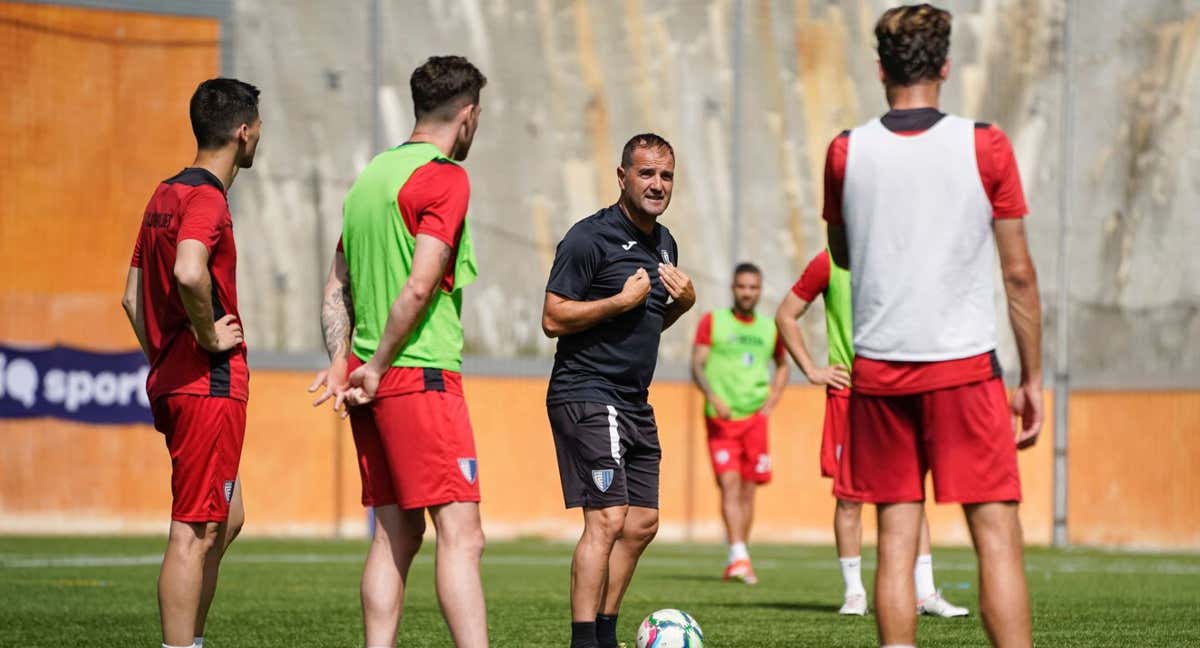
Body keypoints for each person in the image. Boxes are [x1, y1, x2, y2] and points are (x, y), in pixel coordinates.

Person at [824, 5, 1043, 647]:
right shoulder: (986, 145)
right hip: (965, 368)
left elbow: (842, 254)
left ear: (879, 69)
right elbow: (1020, 276)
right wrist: (1031, 377)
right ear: (946, 67)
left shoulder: (845, 151)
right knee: (995, 533)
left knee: (895, 534)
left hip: (879, 371)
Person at [307, 56, 489, 647]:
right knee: (462, 534)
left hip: (370, 382)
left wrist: (344, 361)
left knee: (395, 532)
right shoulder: (445, 177)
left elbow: (338, 282)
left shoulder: (370, 179)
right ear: (466, 116)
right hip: (417, 376)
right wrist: (379, 365)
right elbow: (419, 283)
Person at [122, 78, 261, 648]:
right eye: (258, 130)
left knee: (227, 517)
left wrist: (167, 357)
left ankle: (192, 639)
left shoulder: (163, 195)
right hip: (208, 381)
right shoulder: (207, 199)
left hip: (177, 378)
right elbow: (187, 270)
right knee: (196, 528)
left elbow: (132, 297)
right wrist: (206, 336)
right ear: (243, 132)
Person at [542, 133, 695, 648]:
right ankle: (584, 641)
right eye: (647, 173)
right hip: (586, 392)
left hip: (634, 400)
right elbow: (553, 317)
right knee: (607, 517)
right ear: (622, 176)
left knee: (643, 522)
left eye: (666, 175)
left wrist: (682, 304)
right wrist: (617, 301)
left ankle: (605, 633)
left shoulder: (666, 243)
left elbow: (647, 322)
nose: (657, 184)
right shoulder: (589, 239)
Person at [776, 250, 969, 617]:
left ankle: (924, 593)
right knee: (849, 498)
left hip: (900, 393)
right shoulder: (829, 262)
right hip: (850, 395)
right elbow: (786, 314)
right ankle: (854, 594)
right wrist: (813, 370)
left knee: (911, 493)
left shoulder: (906, 256)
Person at [689, 262, 789, 585]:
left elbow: (783, 365)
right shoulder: (713, 322)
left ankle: (740, 555)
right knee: (729, 484)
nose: (747, 292)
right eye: (742, 286)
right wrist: (712, 395)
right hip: (722, 418)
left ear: (760, 290)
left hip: (755, 420)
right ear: (733, 288)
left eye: (753, 287)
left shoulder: (770, 328)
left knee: (748, 491)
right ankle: (738, 555)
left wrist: (773, 401)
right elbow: (698, 364)